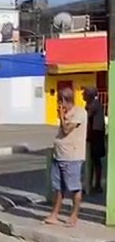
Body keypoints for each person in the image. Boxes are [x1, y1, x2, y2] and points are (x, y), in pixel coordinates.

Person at [45, 88, 88, 227]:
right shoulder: (67, 113)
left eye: (59, 100)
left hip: (72, 157)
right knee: (58, 188)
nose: (58, 103)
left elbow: (66, 130)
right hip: (59, 156)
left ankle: (74, 216)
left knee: (74, 188)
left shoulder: (79, 113)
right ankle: (55, 214)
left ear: (63, 100)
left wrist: (62, 116)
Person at [84, 87, 106, 194]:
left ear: (90, 95)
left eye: (85, 93)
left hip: (96, 135)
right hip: (95, 135)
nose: (83, 95)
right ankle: (91, 184)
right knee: (92, 161)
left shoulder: (93, 105)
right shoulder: (94, 104)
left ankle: (96, 185)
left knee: (95, 161)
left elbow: (86, 117)